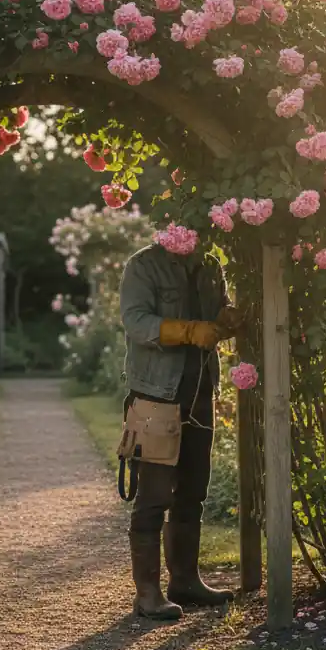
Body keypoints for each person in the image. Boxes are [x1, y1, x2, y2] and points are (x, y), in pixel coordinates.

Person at [118, 241, 240, 620]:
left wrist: (228, 319)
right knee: (154, 495)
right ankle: (148, 594)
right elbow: (136, 322)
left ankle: (185, 581)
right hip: (157, 396)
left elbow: (216, 316)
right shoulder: (143, 266)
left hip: (200, 392)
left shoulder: (210, 264)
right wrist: (188, 331)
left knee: (193, 491)